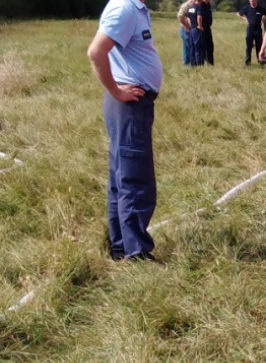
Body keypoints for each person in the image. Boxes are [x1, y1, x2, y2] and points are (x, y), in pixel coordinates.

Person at [87, 0, 164, 262]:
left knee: (123, 175)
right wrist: (117, 91)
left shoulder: (135, 9)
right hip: (128, 103)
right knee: (135, 179)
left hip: (132, 104)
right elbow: (96, 51)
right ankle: (135, 252)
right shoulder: (125, 8)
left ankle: (121, 246)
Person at [237, 0, 266, 66]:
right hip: (250, 29)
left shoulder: (260, 9)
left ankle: (260, 62)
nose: (252, 2)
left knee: (259, 46)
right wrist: (245, 19)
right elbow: (238, 14)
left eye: (253, 1)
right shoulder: (247, 8)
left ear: (256, 1)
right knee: (249, 46)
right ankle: (247, 63)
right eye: (251, 1)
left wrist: (264, 19)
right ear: (249, 1)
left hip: (258, 30)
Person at [177, 0, 195, 65]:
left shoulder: (195, 4)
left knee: (192, 46)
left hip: (192, 29)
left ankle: (192, 63)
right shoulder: (186, 5)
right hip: (185, 29)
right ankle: (187, 63)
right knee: (187, 47)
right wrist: (186, 26)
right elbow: (180, 16)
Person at [198, 0, 215, 65]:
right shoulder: (201, 4)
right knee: (203, 46)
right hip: (202, 28)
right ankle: (202, 62)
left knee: (210, 46)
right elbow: (199, 16)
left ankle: (210, 63)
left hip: (208, 28)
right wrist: (200, 26)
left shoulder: (208, 4)